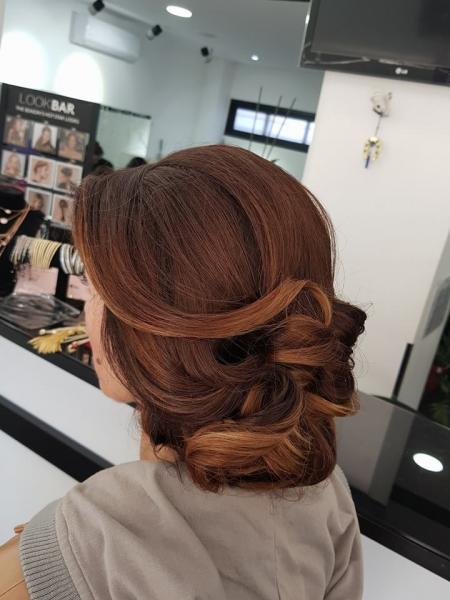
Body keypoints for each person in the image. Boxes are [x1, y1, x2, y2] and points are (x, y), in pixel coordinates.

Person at [0, 145, 366, 599]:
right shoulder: (329, 497)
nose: (86, 313)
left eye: (95, 290)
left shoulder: (85, 543)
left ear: (157, 337)